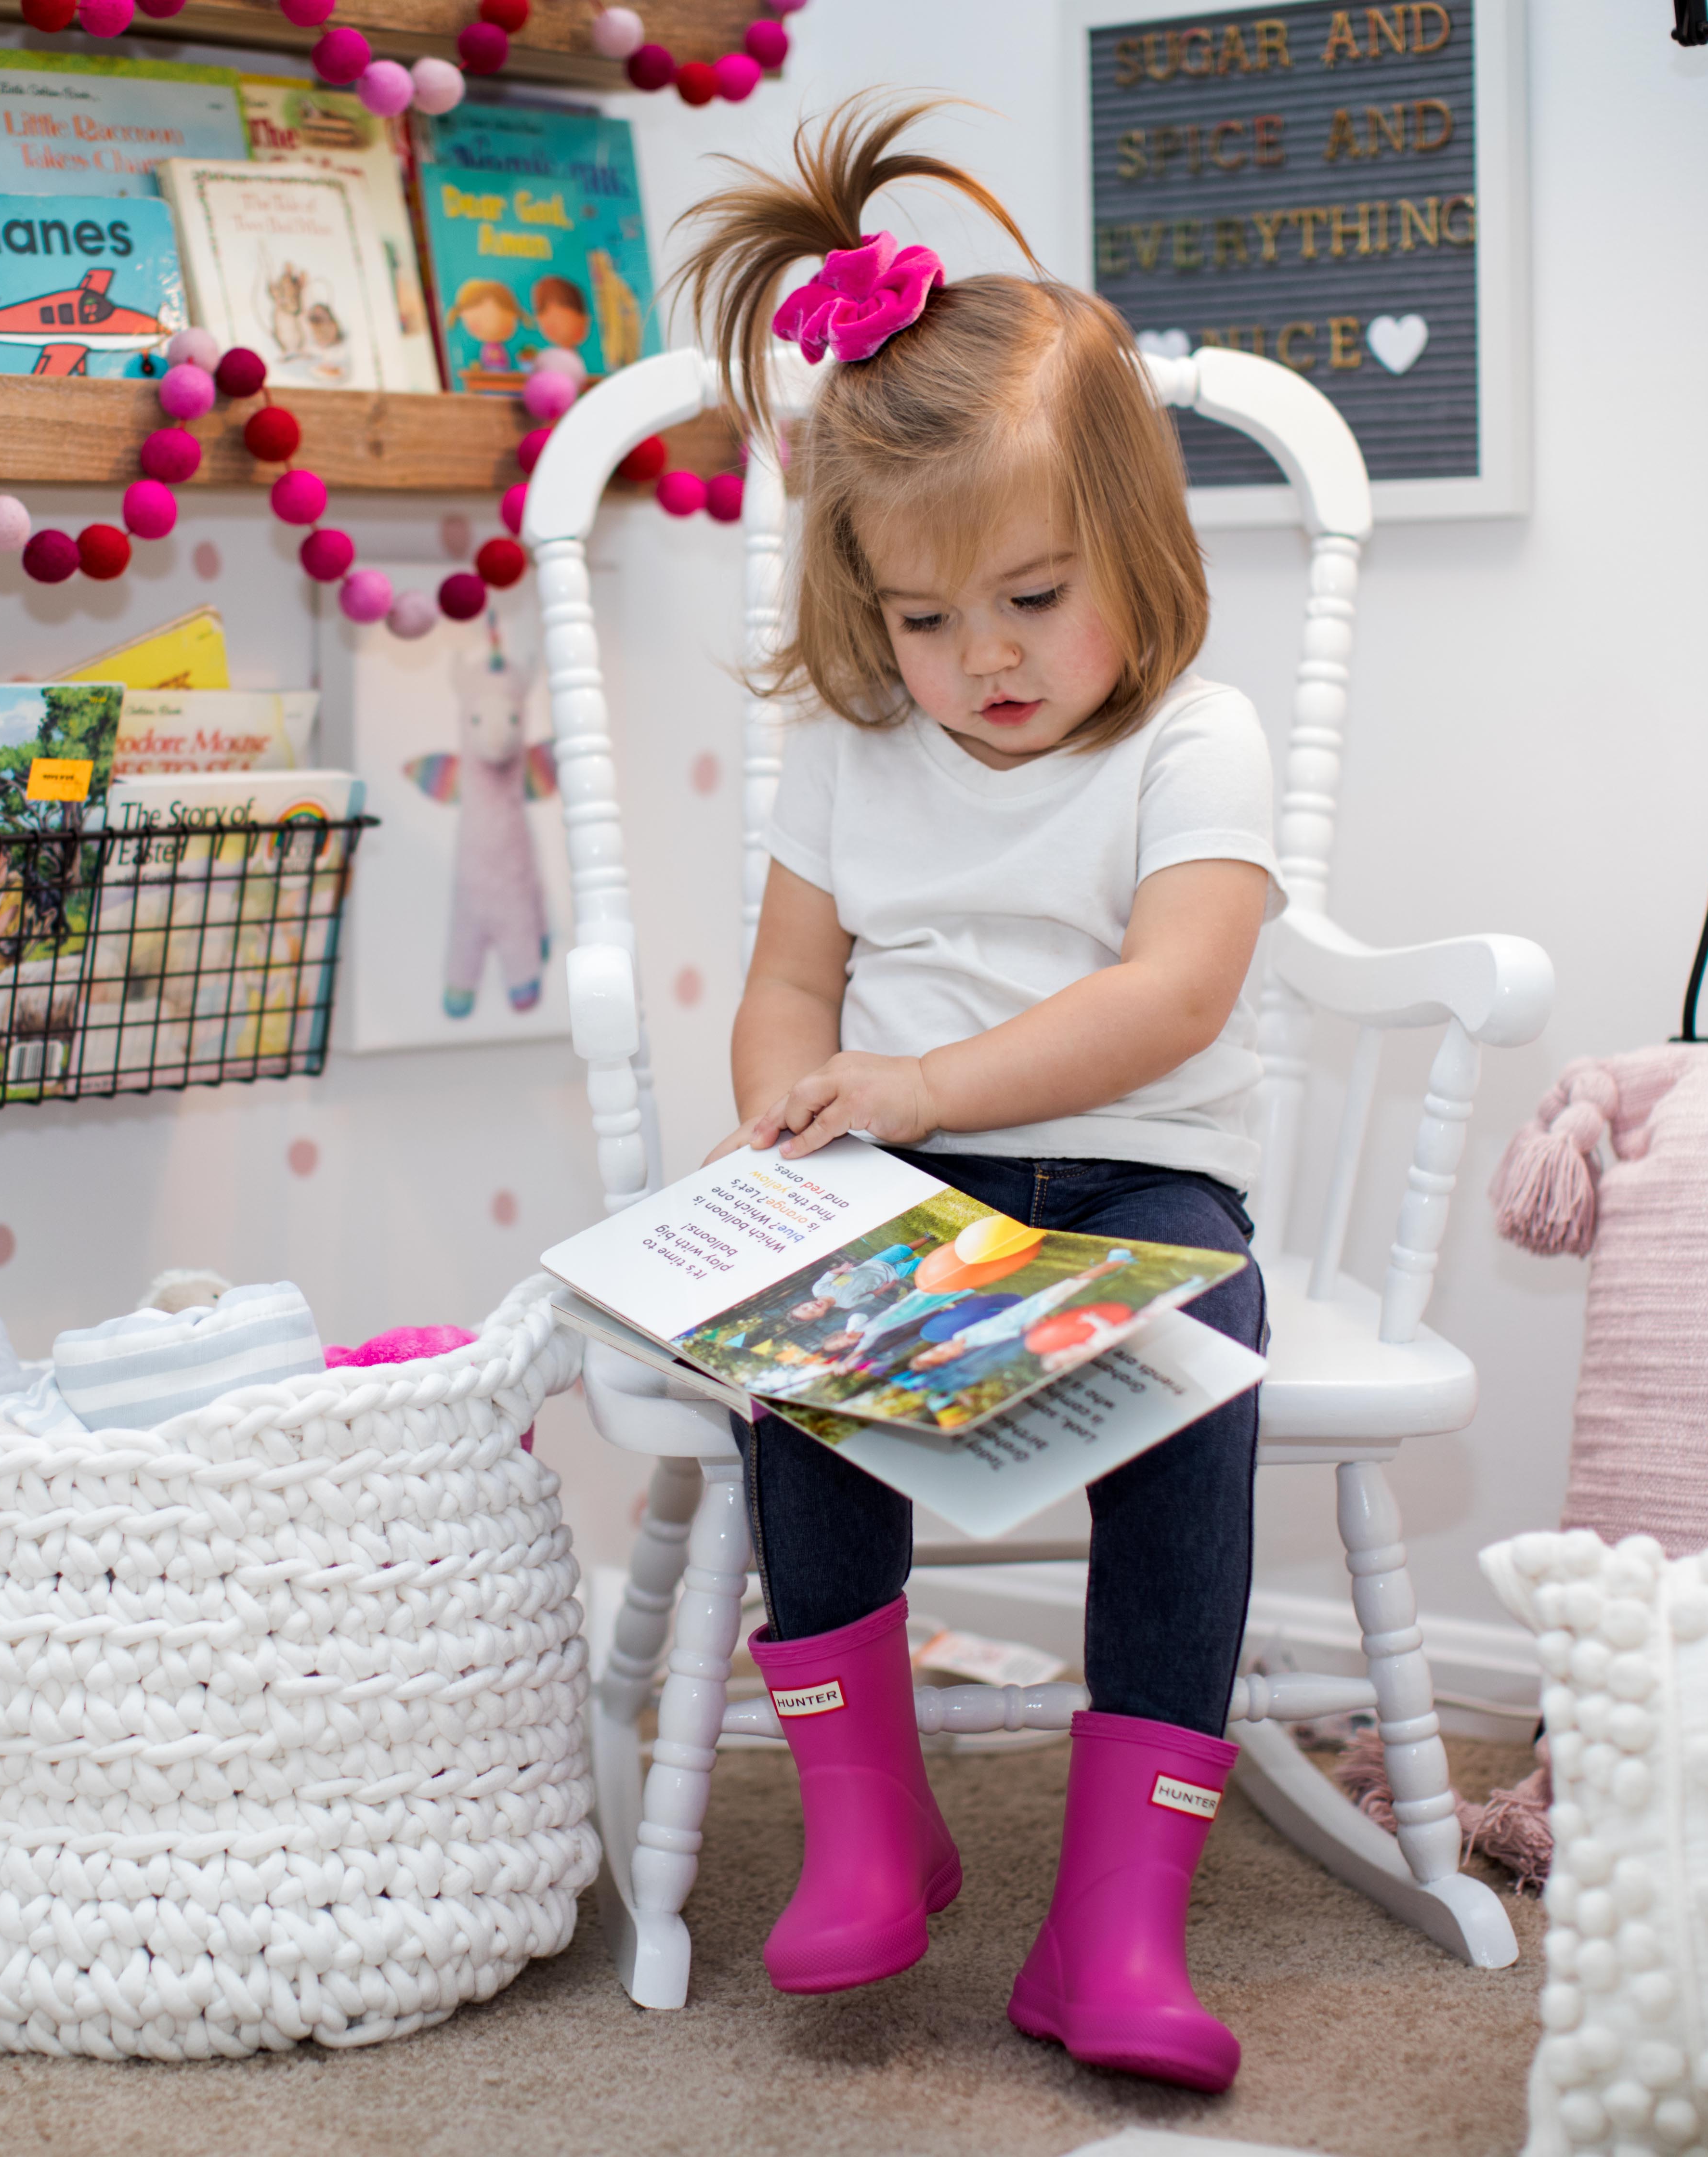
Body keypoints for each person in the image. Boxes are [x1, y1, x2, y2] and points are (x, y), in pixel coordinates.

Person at [665, 93, 1278, 2092]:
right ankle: (871, 1828)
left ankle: (1118, 1922)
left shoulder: (1196, 739)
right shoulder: (856, 747)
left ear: (1139, 544)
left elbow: (1172, 996)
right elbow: (787, 983)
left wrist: (923, 1075)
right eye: (923, 619)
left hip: (1131, 1181)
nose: (982, 659)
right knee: (804, 1365)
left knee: (1200, 1378)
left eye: (1029, 596)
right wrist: (789, 1110)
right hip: (911, 1184)